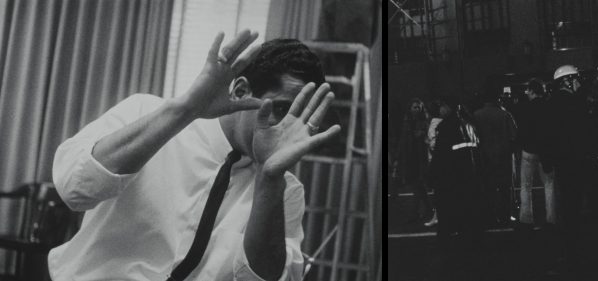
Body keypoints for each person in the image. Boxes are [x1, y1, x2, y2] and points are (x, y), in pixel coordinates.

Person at [49, 31, 338, 280]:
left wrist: (269, 178)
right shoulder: (145, 113)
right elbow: (75, 189)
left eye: (299, 118)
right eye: (281, 109)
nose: (287, 129)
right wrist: (185, 109)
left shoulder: (284, 190)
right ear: (240, 91)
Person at [547, 65, 598, 279]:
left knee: (570, 211)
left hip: (565, 167)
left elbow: (548, 139)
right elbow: (589, 133)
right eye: (576, 80)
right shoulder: (577, 104)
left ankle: (571, 256)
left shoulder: (552, 104)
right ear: (568, 81)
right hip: (584, 163)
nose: (578, 83)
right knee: (596, 207)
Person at [432, 103, 484, 280]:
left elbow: (441, 157)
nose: (440, 110)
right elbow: (478, 153)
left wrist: (434, 177)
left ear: (448, 108)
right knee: (468, 221)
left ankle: (450, 261)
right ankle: (471, 256)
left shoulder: (446, 127)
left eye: (442, 107)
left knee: (448, 221)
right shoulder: (469, 125)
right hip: (471, 179)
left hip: (452, 180)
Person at [473, 90, 517, 225]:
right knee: (505, 188)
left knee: (488, 187)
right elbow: (514, 135)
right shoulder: (505, 114)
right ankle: (505, 215)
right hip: (503, 155)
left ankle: (490, 215)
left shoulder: (476, 115)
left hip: (484, 156)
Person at [517, 79, 556, 227]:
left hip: (529, 150)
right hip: (546, 151)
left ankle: (526, 217)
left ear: (533, 91)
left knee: (526, 185)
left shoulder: (524, 108)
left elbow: (521, 131)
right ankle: (551, 217)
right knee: (549, 184)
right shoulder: (549, 107)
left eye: (528, 91)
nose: (527, 93)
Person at [394, 98, 436, 225]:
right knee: (418, 186)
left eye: (418, 107)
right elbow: (402, 142)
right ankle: (429, 209)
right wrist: (398, 158)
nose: (416, 109)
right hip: (409, 158)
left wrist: (422, 135)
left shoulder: (425, 122)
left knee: (417, 186)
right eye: (414, 107)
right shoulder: (407, 122)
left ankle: (414, 214)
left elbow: (429, 139)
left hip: (420, 159)